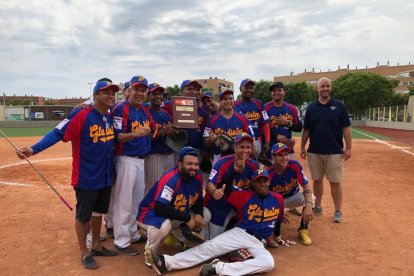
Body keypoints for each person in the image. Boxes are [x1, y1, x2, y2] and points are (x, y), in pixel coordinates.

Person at [16, 79, 120, 269]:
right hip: (86, 176)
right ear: (95, 95)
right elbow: (57, 133)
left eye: (113, 93)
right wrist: (33, 149)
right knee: (83, 215)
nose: (111, 95)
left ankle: (96, 245)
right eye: (106, 92)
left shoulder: (109, 116)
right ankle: (84, 252)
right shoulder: (81, 114)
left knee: (99, 212)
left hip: (105, 174)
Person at [149, 169, 284, 276]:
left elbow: (278, 221)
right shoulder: (245, 196)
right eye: (258, 181)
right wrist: (234, 172)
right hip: (241, 233)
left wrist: (277, 237)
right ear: (253, 184)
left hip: (259, 243)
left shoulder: (278, 199)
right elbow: (225, 189)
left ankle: (219, 268)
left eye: (265, 180)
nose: (262, 184)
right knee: (209, 247)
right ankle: (166, 262)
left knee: (268, 263)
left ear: (269, 181)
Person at [137, 147, 209, 267]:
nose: (194, 167)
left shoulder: (198, 178)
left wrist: (199, 214)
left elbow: (198, 199)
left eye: (196, 164)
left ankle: (174, 239)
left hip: (173, 211)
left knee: (206, 214)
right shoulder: (171, 179)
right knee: (163, 226)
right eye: (189, 163)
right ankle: (150, 252)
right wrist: (187, 218)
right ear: (180, 165)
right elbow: (159, 207)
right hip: (150, 213)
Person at [110, 75, 157, 255]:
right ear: (129, 90)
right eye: (136, 89)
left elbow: (153, 127)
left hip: (140, 160)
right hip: (126, 159)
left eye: (143, 90)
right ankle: (121, 241)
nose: (140, 93)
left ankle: (132, 233)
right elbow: (116, 136)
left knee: (136, 200)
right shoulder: (121, 109)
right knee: (124, 200)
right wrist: (134, 134)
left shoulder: (144, 110)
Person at [300, 77, 352, 223]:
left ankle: (338, 211)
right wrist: (302, 147)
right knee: (317, 180)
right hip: (315, 151)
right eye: (322, 86)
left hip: (335, 152)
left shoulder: (339, 106)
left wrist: (348, 148)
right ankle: (317, 206)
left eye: (327, 86)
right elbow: (307, 130)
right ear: (317, 88)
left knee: (335, 182)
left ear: (330, 88)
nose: (325, 88)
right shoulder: (311, 107)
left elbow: (346, 128)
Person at [203, 133, 259, 239]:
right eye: (242, 147)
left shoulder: (253, 166)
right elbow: (210, 184)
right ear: (235, 148)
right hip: (219, 205)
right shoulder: (222, 163)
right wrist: (215, 192)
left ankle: (236, 222)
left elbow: (258, 189)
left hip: (238, 205)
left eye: (248, 147)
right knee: (213, 240)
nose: (245, 150)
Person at [264, 81, 303, 216]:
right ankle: (272, 206)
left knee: (289, 176)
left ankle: (291, 204)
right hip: (272, 151)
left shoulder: (291, 108)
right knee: (271, 178)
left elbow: (298, 127)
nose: (276, 92)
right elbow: (263, 128)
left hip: (287, 149)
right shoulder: (266, 108)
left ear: (284, 92)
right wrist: (276, 135)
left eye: (279, 90)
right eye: (274, 90)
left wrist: (288, 123)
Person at [268, 143, 314, 245]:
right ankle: (271, 232)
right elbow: (267, 198)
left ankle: (303, 229)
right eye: (280, 155)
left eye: (286, 154)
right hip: (277, 202)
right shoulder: (269, 173)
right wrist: (278, 212)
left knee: (311, 199)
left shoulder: (294, 165)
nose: (284, 158)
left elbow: (306, 186)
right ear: (273, 157)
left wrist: (308, 205)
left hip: (293, 196)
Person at [144, 83, 179, 194]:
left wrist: (174, 131)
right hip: (154, 155)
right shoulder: (144, 112)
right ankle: (150, 211)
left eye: (160, 94)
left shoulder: (166, 114)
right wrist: (162, 131)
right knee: (153, 187)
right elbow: (144, 138)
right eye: (155, 94)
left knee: (168, 187)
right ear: (148, 95)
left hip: (169, 154)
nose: (158, 96)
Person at [203, 89, 254, 164]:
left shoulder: (243, 118)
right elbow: (205, 139)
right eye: (225, 99)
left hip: (239, 155)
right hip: (219, 156)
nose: (228, 101)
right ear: (220, 102)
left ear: (233, 101)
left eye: (230, 98)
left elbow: (251, 138)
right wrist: (210, 140)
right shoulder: (212, 119)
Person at [234, 79, 271, 158]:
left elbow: (265, 124)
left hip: (256, 141)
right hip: (240, 142)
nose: (249, 90)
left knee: (255, 167)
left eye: (251, 88)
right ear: (240, 89)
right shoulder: (234, 105)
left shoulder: (259, 103)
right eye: (246, 87)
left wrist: (267, 142)